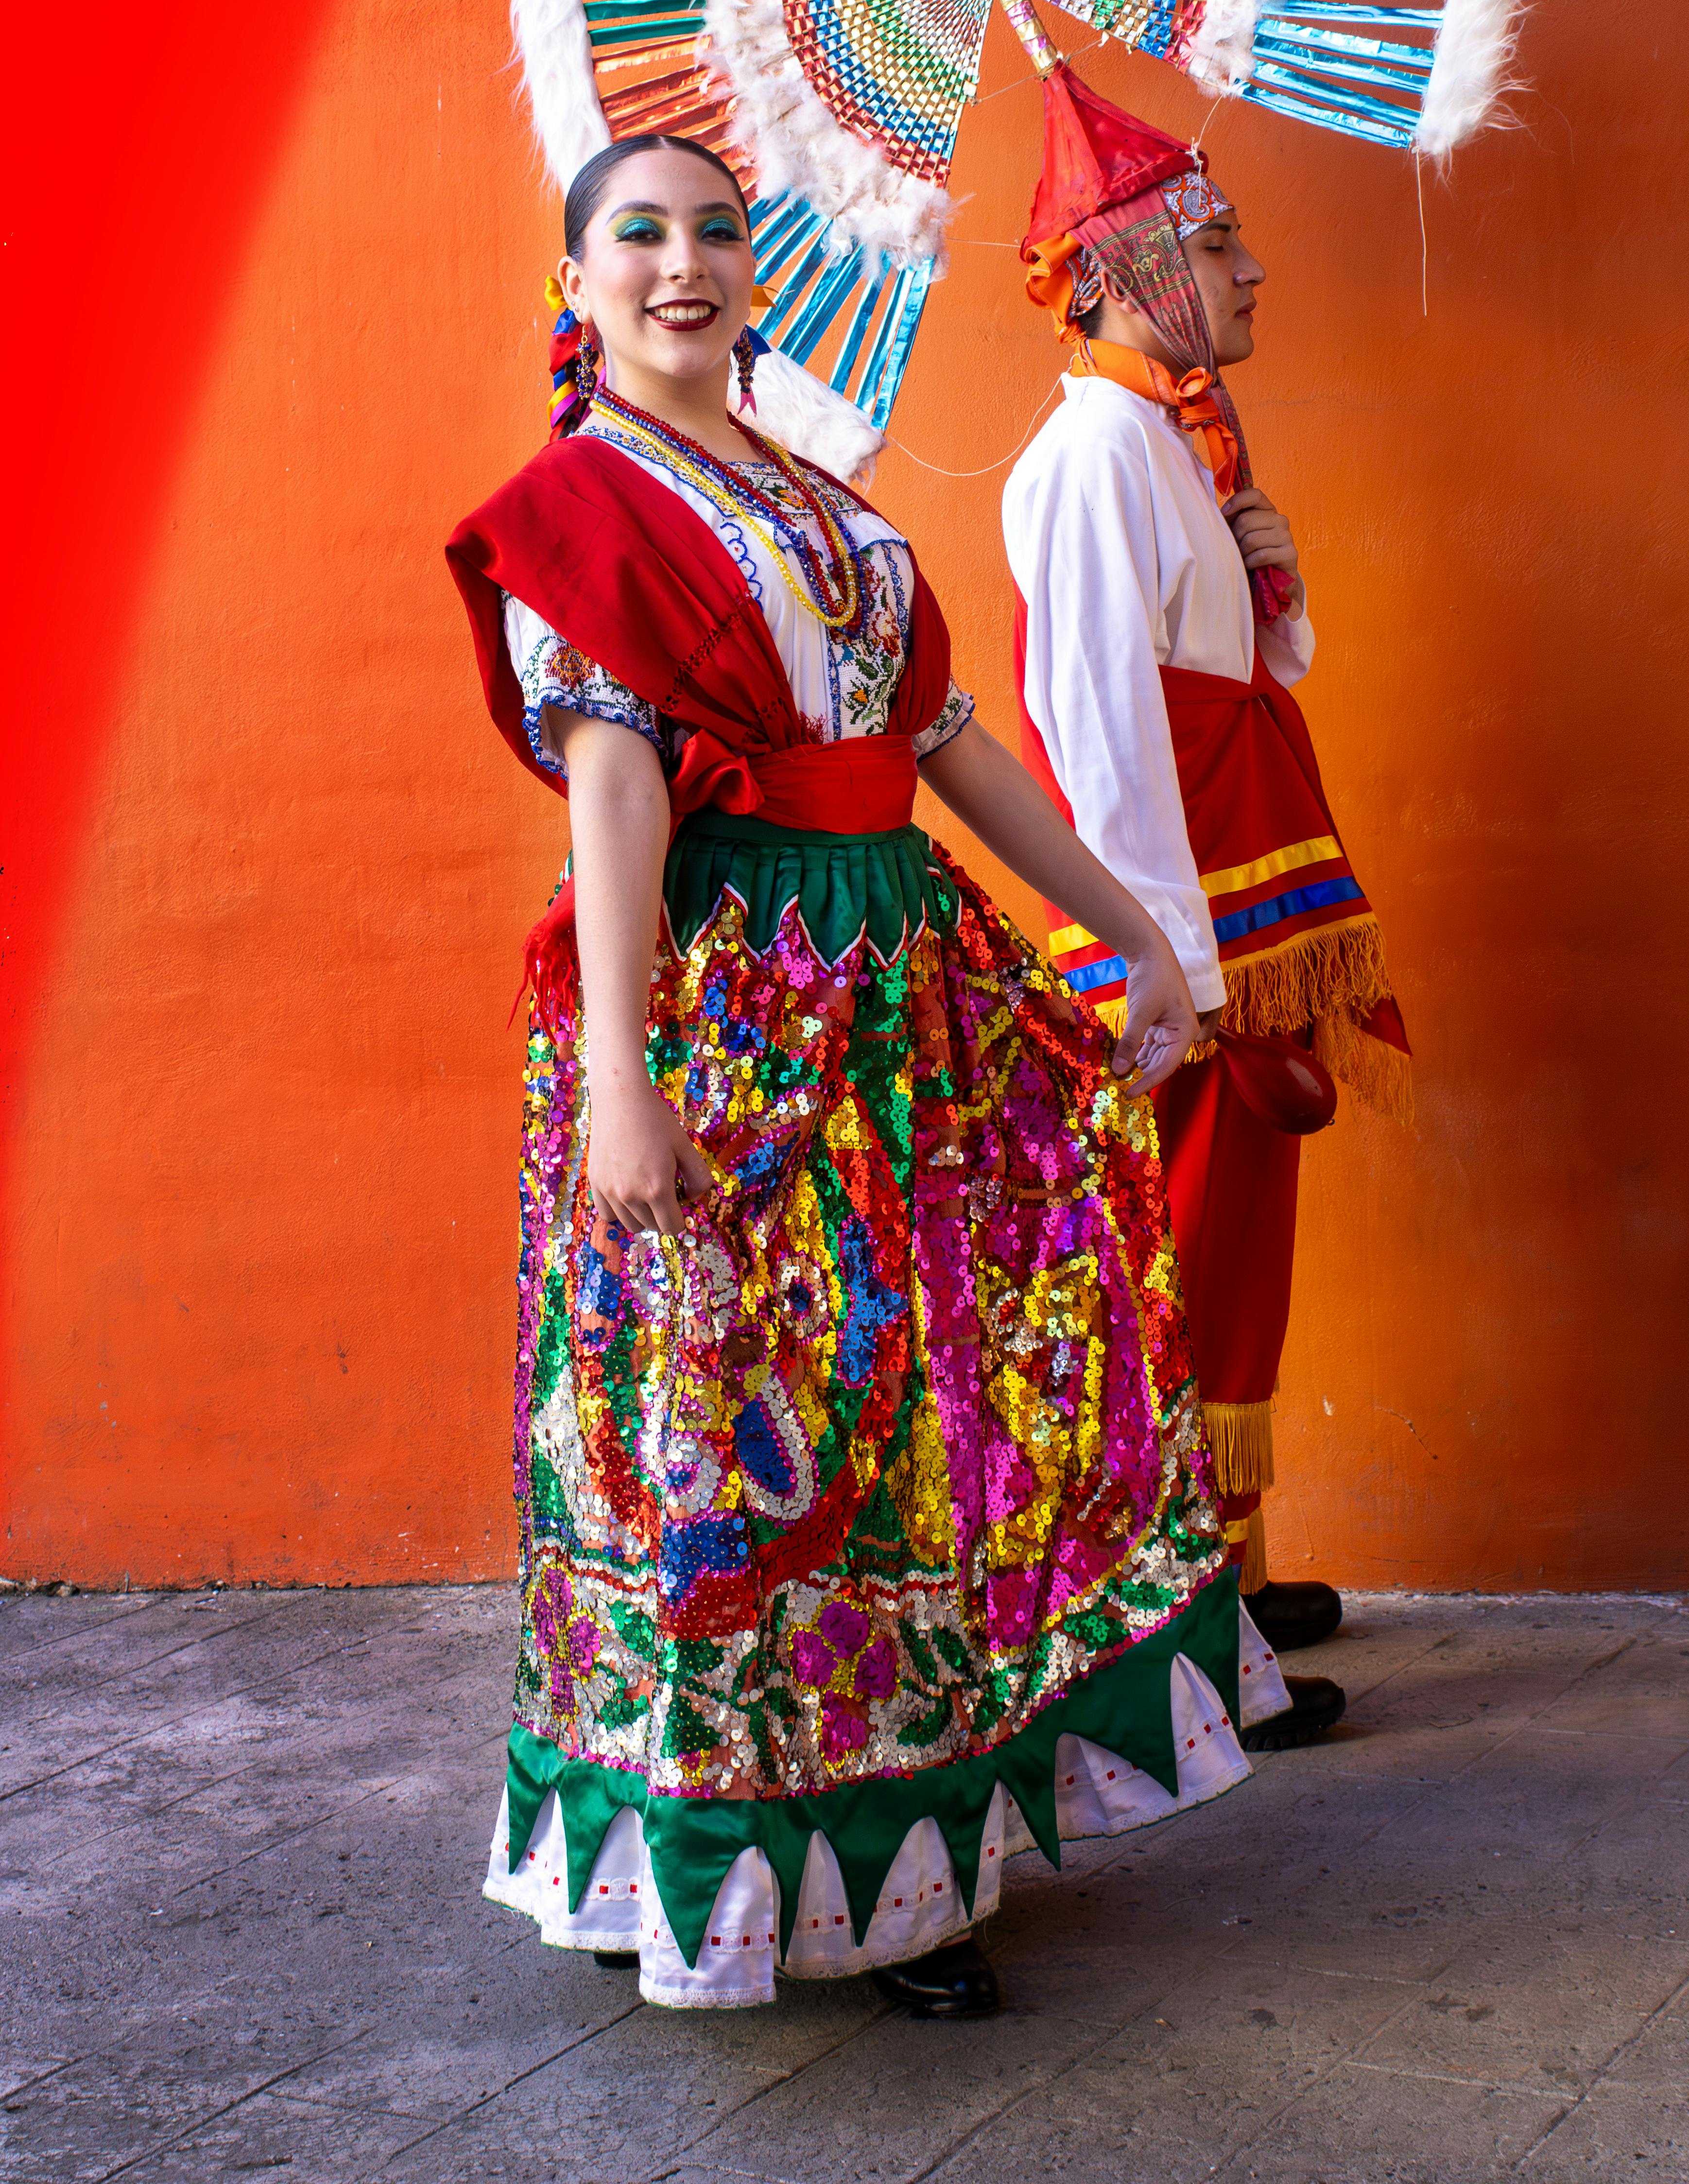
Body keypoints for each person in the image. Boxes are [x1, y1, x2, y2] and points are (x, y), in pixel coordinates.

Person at [447, 132, 1294, 2019]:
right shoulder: (576, 511)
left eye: (716, 231)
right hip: (722, 1013)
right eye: (639, 236)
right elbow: (612, 796)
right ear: (577, 282)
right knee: (742, 1442)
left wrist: (1126, 929)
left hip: (896, 1001)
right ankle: (722, 1870)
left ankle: (909, 1870)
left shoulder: (824, 506)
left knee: (916, 1418)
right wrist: (621, 1077)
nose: (685, 263)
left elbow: (953, 752)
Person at [999, 23, 1413, 1742]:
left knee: (1231, 1264)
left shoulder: (1169, 442)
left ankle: (1225, 1582)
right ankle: (1173, 1651)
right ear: (1133, 268)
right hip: (1188, 945)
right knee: (1178, 1276)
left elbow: (1234, 676)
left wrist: (1270, 572)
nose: (1247, 269)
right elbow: (1093, 726)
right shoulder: (1092, 457)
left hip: (1237, 914)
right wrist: (1167, 967)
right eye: (1219, 243)